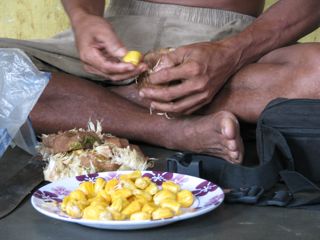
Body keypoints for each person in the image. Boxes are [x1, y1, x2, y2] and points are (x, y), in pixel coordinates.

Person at [1, 0, 319, 164]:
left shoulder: (231, 50)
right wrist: (85, 18)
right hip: (118, 38)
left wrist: (230, 54)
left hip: (230, 41)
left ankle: (103, 102)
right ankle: (174, 128)